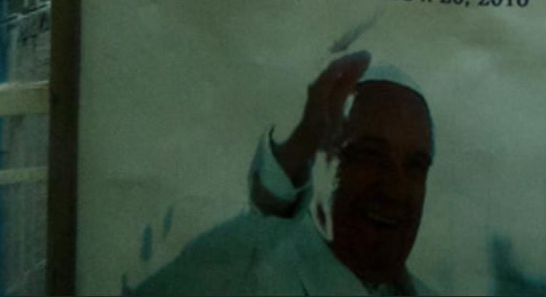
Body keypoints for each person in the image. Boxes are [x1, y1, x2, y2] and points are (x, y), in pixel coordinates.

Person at [135, 51, 436, 296]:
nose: (395, 189)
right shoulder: (254, 279)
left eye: (416, 165)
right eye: (370, 154)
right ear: (323, 161)